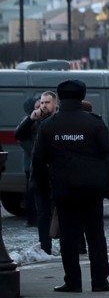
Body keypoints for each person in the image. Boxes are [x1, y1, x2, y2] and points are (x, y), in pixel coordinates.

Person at [32, 80, 109, 292]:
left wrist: (45, 188)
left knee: (69, 237)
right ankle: (100, 281)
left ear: (60, 98)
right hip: (91, 188)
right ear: (82, 96)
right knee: (96, 235)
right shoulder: (94, 122)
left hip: (63, 188)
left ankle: (72, 281)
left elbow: (38, 160)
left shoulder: (49, 124)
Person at [15, 91, 57, 255]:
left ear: (55, 104)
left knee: (65, 211)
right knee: (43, 213)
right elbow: (19, 134)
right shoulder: (35, 121)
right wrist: (30, 119)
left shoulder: (58, 120)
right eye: (41, 103)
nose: (43, 106)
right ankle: (45, 246)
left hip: (58, 173)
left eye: (47, 103)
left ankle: (75, 244)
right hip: (40, 174)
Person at [18, 97, 39, 228]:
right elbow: (22, 140)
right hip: (30, 163)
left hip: (35, 161)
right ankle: (31, 218)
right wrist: (36, 153)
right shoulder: (28, 120)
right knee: (31, 192)